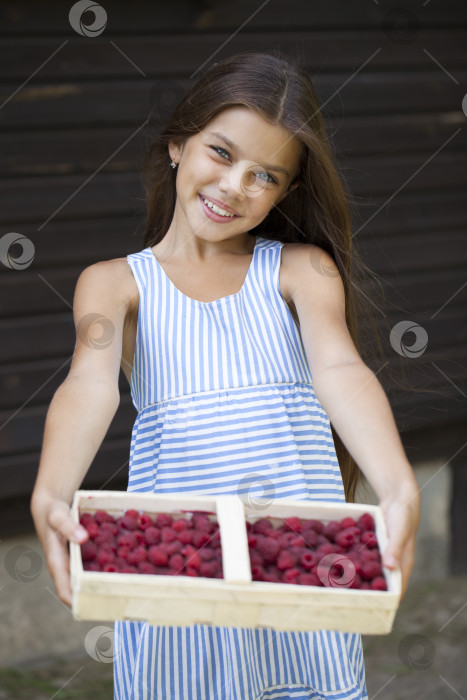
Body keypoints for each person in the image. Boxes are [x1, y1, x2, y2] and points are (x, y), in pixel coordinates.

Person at [31, 50, 420, 699]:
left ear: (287, 191)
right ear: (178, 144)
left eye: (264, 174)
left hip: (294, 570)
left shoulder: (300, 270)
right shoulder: (114, 284)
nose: (235, 185)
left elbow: (339, 368)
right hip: (183, 579)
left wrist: (398, 484)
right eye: (221, 152)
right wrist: (51, 489)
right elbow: (89, 384)